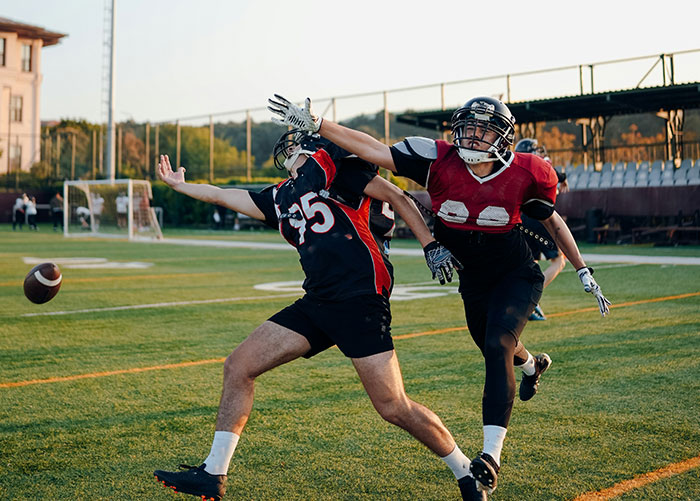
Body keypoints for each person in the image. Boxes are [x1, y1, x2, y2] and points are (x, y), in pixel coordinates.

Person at [268, 94, 611, 497]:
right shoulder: (436, 158)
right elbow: (373, 148)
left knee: (498, 342)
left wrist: (582, 269)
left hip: (516, 274)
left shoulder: (527, 172)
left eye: (484, 130)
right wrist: (319, 123)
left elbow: (553, 223)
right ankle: (533, 365)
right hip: (473, 278)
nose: (473, 136)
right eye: (468, 127)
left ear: (503, 138)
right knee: (494, 343)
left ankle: (490, 457)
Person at [153, 129, 485, 501]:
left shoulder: (335, 170)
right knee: (238, 366)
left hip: (360, 298)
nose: (290, 150)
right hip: (319, 301)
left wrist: (431, 244)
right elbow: (224, 195)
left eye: (297, 145)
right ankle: (214, 473)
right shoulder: (282, 195)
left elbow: (395, 195)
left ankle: (465, 470)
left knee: (393, 406)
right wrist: (183, 187)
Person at [514, 138, 569, 321]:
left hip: (521, 219)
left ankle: (530, 301)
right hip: (538, 218)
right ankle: (531, 298)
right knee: (559, 260)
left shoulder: (514, 167)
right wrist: (563, 177)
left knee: (533, 262)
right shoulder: (536, 165)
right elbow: (553, 172)